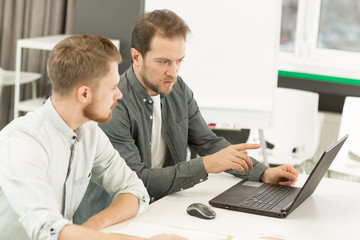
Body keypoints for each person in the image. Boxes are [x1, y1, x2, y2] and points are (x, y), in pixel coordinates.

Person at [74, 9, 298, 223]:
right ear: (136, 57)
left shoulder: (177, 89)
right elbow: (136, 181)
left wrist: (263, 173)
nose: (173, 72)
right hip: (113, 219)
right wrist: (206, 165)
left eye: (179, 61)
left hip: (161, 207)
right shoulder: (115, 103)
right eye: (163, 62)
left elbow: (208, 143)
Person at [0, 34, 186, 240]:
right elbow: (48, 230)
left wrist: (93, 225)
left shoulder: (89, 133)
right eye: (113, 87)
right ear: (84, 94)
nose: (119, 95)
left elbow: (134, 190)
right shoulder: (23, 141)